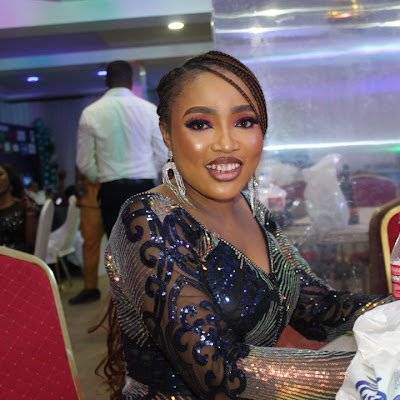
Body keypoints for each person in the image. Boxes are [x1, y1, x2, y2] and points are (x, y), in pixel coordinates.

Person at [101, 51, 393, 400]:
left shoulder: (252, 209)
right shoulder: (149, 219)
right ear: (167, 133)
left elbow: (318, 308)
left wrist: (393, 310)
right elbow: (221, 373)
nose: (227, 143)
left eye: (244, 122)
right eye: (200, 124)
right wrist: (372, 368)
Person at [76, 60, 167, 237]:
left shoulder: (91, 112)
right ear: (131, 81)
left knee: (117, 246)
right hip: (144, 187)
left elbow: (84, 163)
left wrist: (102, 176)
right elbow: (162, 153)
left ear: (106, 81)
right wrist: (147, 171)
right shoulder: (149, 110)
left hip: (111, 189)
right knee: (147, 244)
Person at [69, 170, 104, 304]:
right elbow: (82, 165)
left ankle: (130, 290)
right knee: (90, 246)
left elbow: (83, 164)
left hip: (109, 190)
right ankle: (90, 288)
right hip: (92, 196)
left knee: (124, 243)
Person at [0, 164, 38, 253]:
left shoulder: (25, 206)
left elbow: (33, 243)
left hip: (20, 258)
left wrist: (30, 213)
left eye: (0, 174)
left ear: (10, 178)